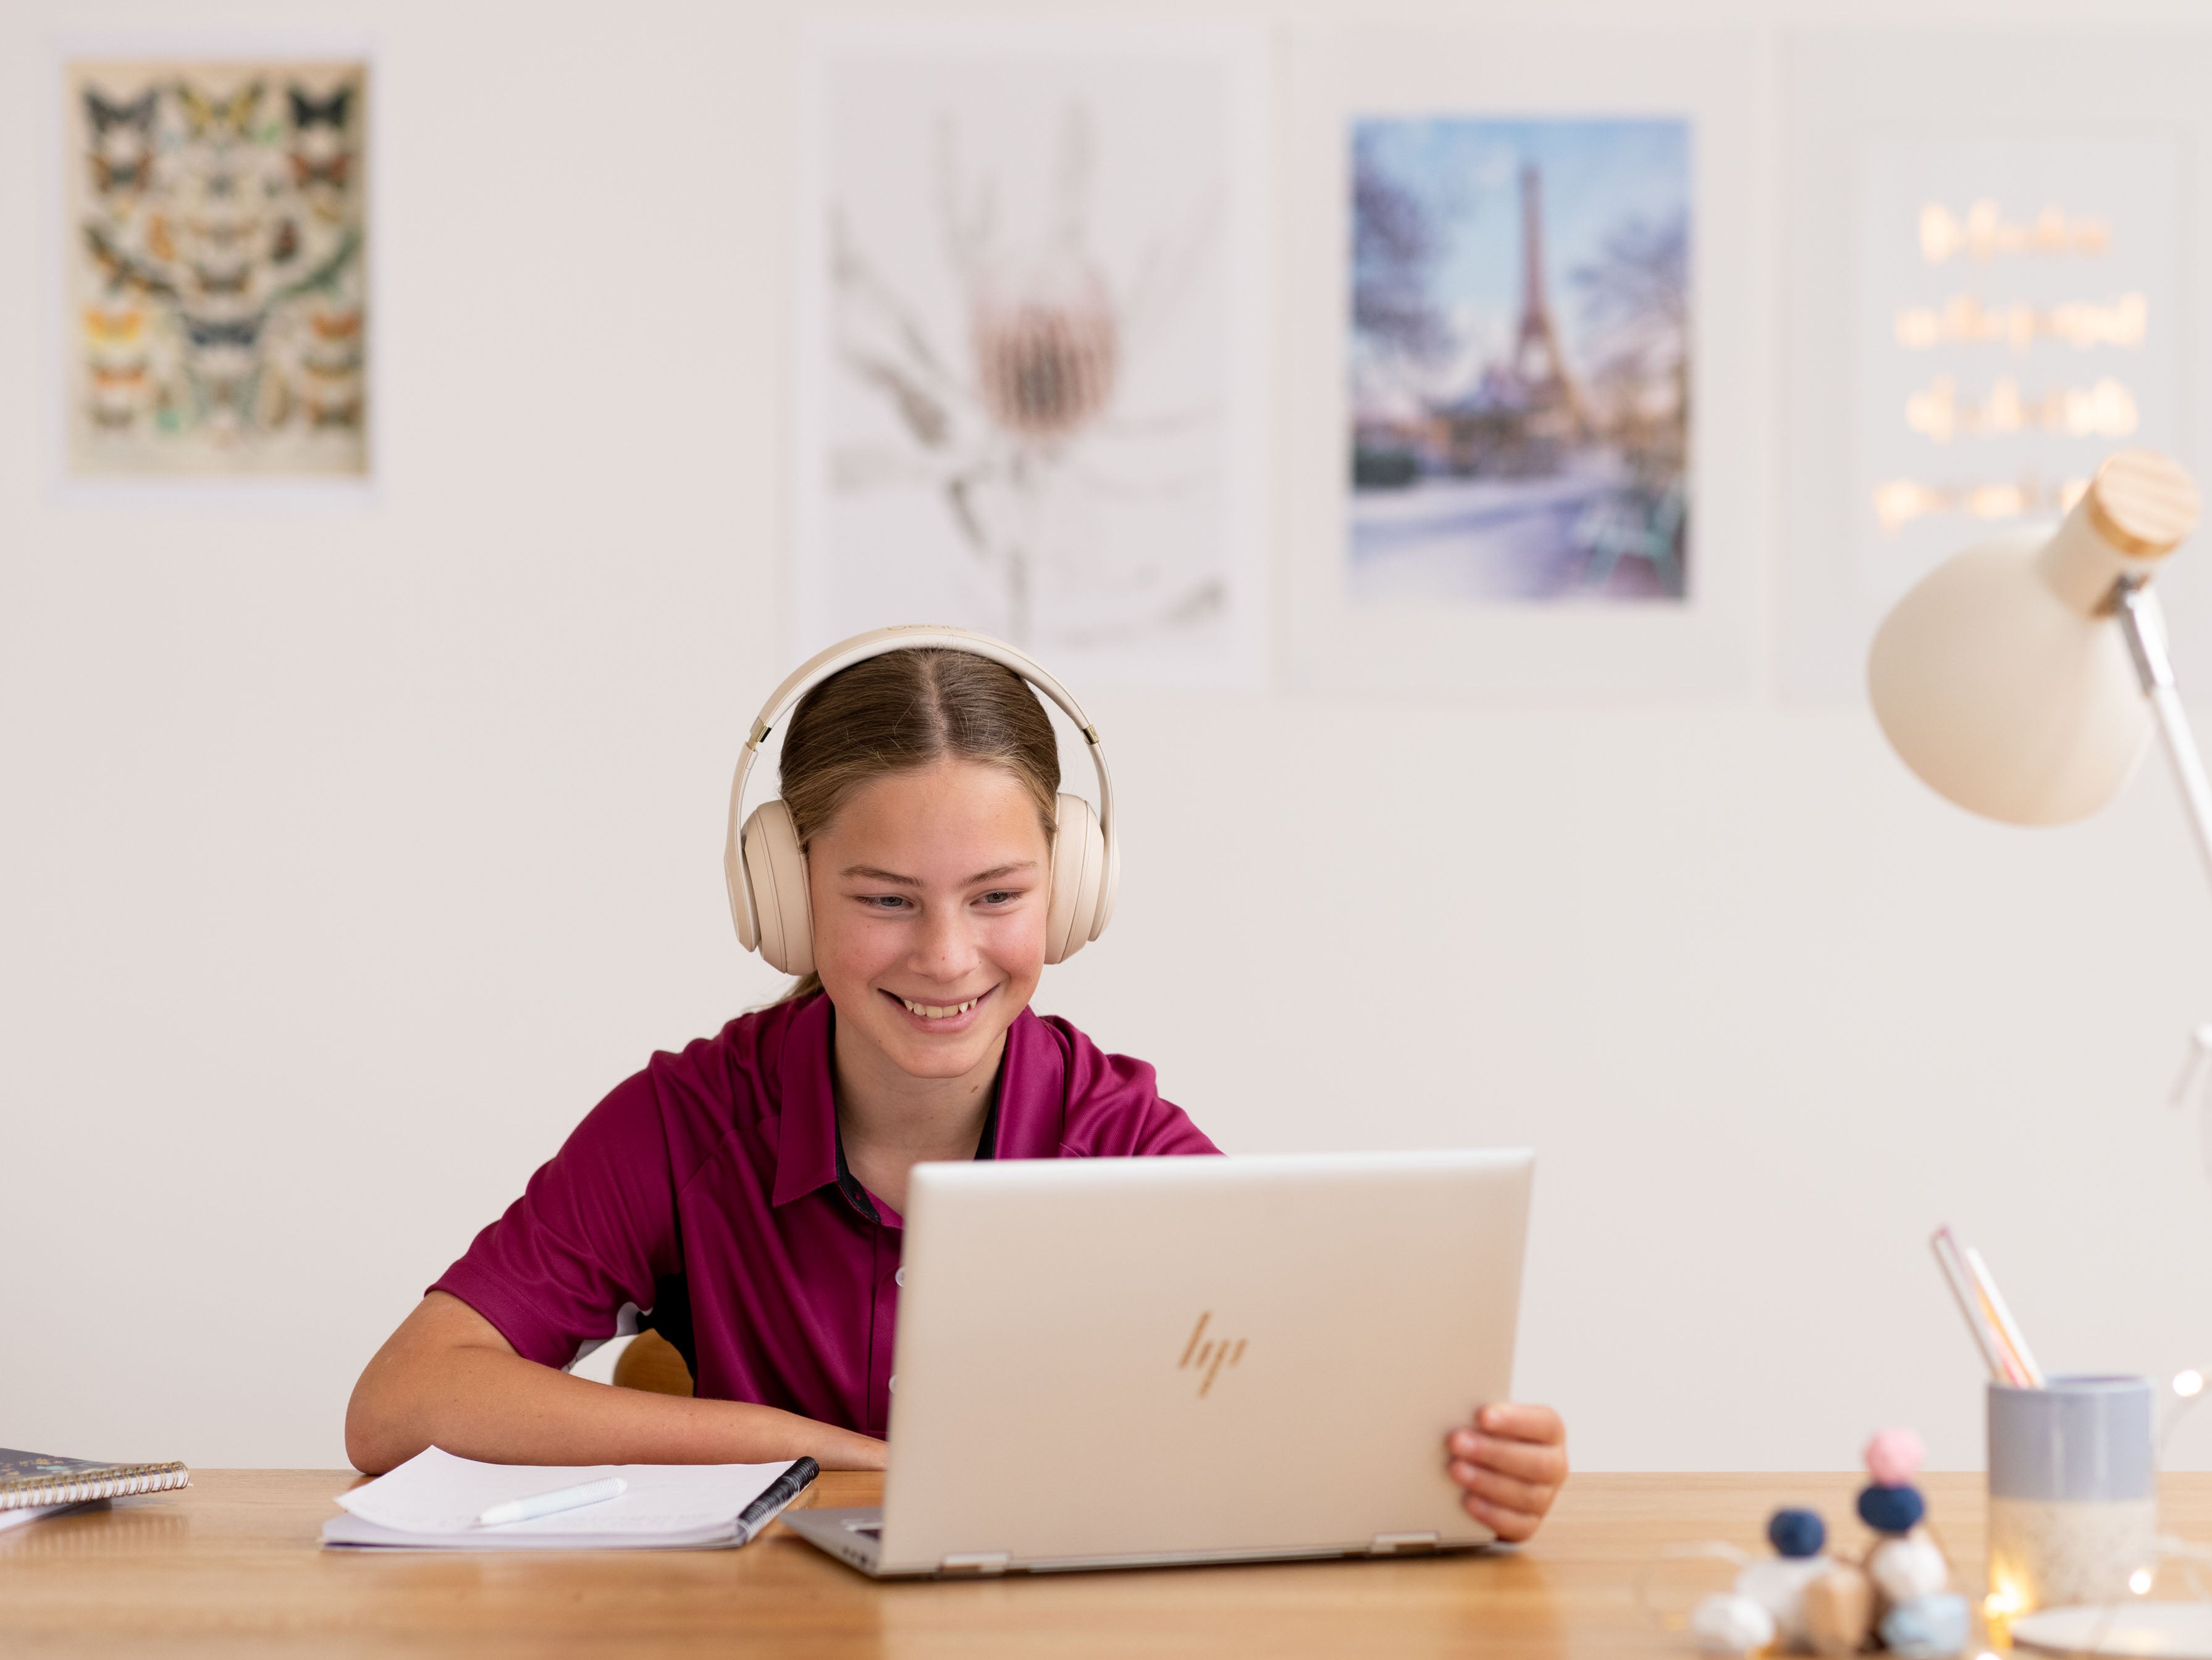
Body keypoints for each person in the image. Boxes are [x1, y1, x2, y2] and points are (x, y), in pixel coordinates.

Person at [345, 637, 1570, 1549]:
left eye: (997, 896)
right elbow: (404, 1402)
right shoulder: (686, 1125)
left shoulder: (1123, 1148)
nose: (944, 956)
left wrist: (1471, 1468)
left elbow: (1293, 1433)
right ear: (783, 895)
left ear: (1072, 891)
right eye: (885, 899)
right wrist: (806, 1448)